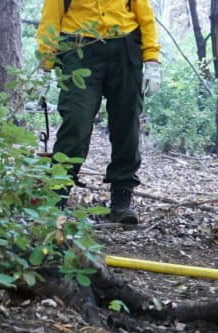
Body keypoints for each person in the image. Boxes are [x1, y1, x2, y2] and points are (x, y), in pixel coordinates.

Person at [36, 0, 162, 224]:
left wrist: (151, 58)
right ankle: (56, 199)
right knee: (76, 121)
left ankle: (121, 200)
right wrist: (44, 64)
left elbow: (145, 14)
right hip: (79, 47)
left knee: (127, 124)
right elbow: (51, 16)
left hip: (125, 45)